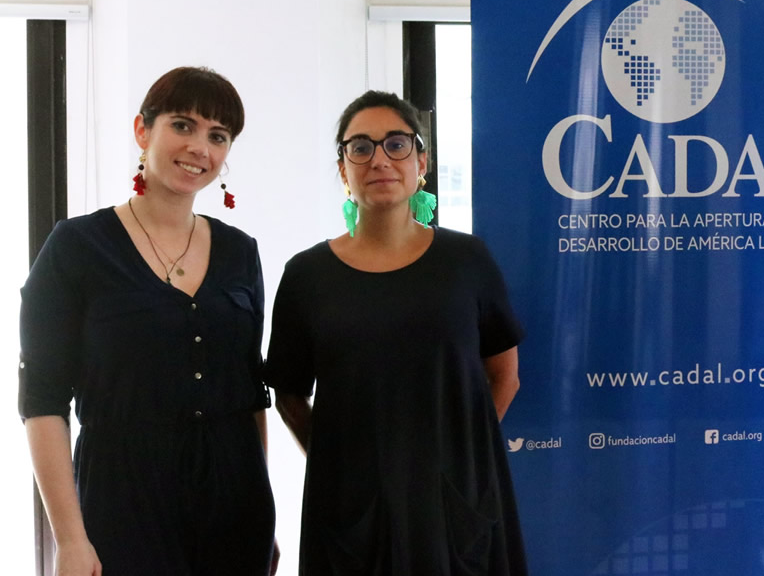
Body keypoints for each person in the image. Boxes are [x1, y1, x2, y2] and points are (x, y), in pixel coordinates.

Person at [20, 66, 276, 575]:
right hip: (122, 503)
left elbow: (251, 395)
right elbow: (43, 401)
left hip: (236, 506)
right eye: (183, 125)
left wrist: (265, 519)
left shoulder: (239, 251)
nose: (199, 147)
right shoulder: (76, 247)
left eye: (218, 135)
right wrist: (70, 540)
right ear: (143, 130)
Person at [266, 90, 527, 575]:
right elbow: (289, 395)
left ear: (420, 162)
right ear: (343, 169)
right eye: (360, 147)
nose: (379, 159)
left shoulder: (466, 261)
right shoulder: (306, 275)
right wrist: (339, 466)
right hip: (350, 511)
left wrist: (463, 460)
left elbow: (504, 376)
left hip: (455, 508)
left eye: (396, 144)